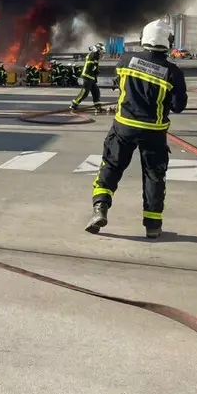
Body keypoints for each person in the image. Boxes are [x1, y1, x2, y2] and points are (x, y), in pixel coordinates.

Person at [84, 20, 188, 240]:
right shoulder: (173, 72)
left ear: (144, 39)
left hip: (124, 126)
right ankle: (153, 226)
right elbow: (179, 106)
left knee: (111, 166)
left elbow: (118, 82)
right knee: (153, 176)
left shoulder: (126, 60)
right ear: (167, 42)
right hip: (154, 132)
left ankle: (100, 207)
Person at [70, 42, 105, 112]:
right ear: (97, 50)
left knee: (96, 92)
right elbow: (89, 66)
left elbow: (94, 67)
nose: (102, 54)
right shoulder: (92, 55)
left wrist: (96, 71)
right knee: (85, 92)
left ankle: (97, 106)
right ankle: (74, 104)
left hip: (91, 77)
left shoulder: (95, 56)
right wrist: (95, 69)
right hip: (87, 76)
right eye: (101, 52)